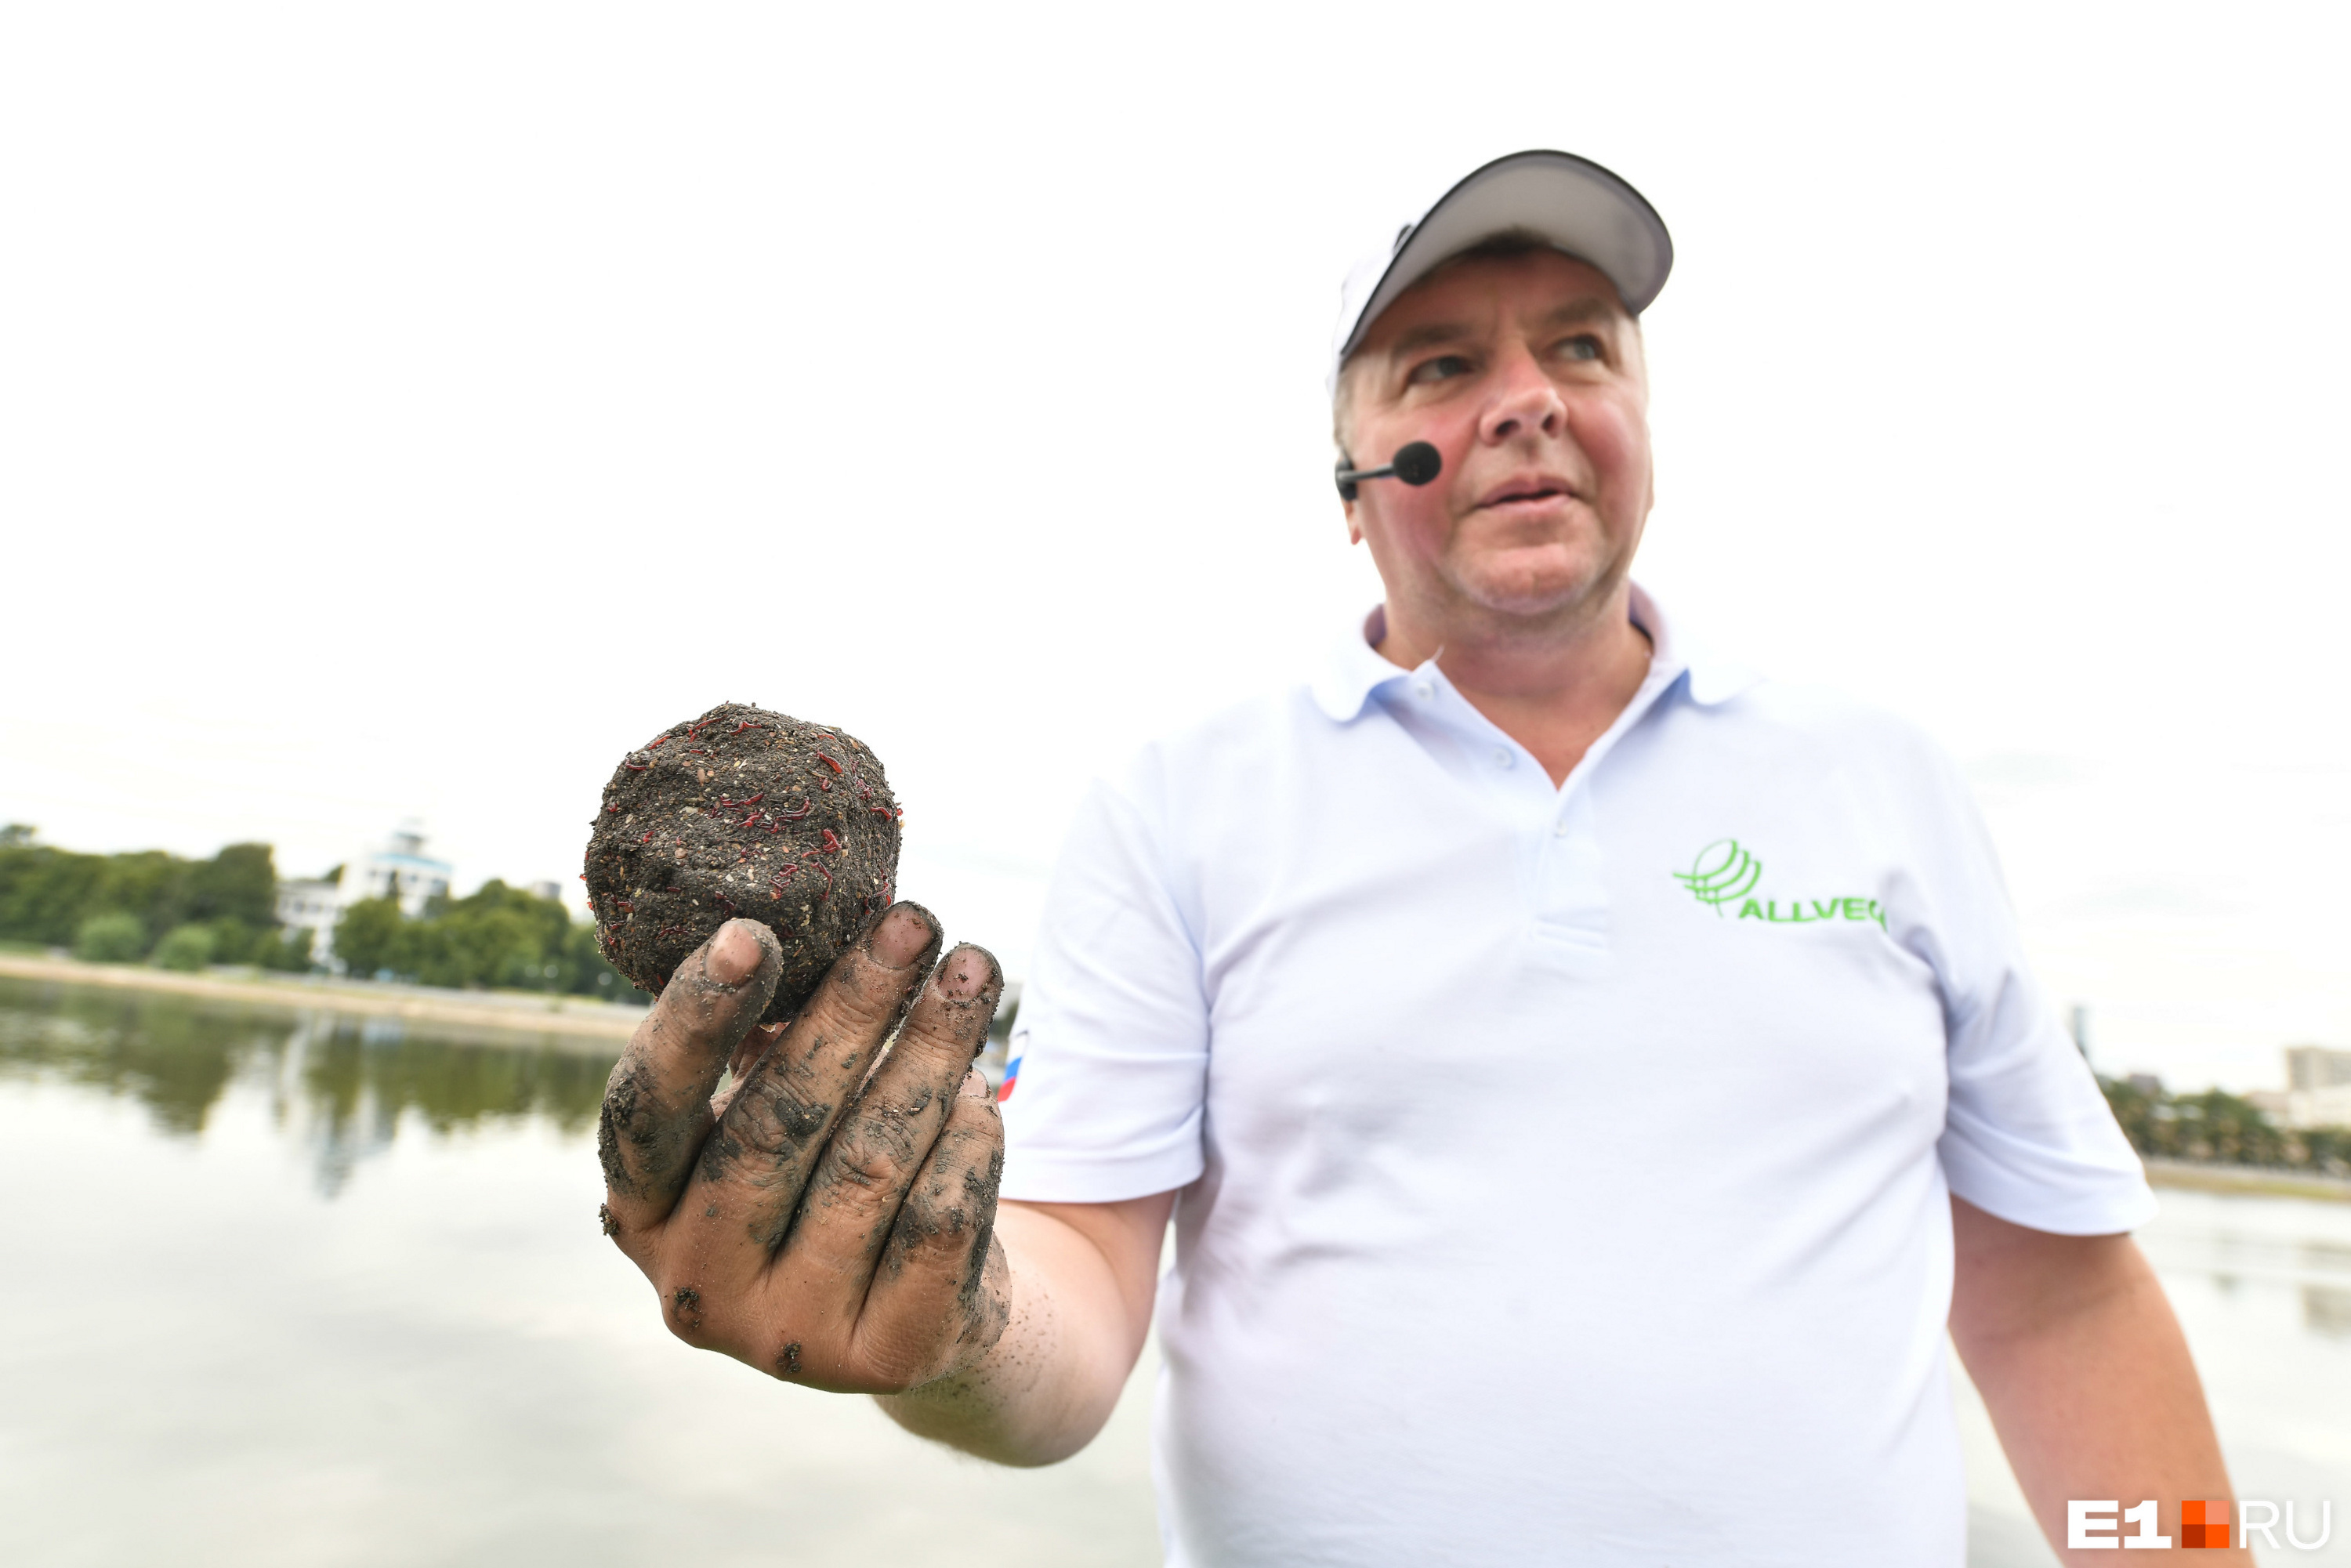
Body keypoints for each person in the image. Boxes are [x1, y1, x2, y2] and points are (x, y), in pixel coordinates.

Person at [596, 151, 2247, 1565]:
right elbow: (1085, 1281)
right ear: (1348, 482)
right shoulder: (1184, 801)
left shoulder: (1882, 781)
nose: (1528, 394)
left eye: (1582, 347)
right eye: (1442, 364)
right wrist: (942, 1323)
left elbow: (2060, 1302)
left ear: (1641, 425)